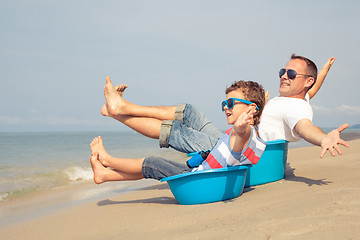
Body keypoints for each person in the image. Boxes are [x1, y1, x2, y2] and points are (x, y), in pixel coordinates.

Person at [100, 55, 347, 158]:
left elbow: (304, 127)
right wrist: (324, 70)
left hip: (238, 154)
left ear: (305, 80)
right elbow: (311, 90)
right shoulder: (299, 98)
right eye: (283, 71)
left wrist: (324, 138)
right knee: (188, 111)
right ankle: (122, 107)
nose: (284, 75)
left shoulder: (298, 109)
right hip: (231, 139)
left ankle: (118, 112)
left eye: (291, 73)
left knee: (176, 130)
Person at [91, 81, 267, 183]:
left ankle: (107, 160)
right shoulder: (251, 132)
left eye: (230, 104)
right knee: (152, 168)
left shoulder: (245, 132)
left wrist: (241, 128)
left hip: (199, 180)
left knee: (152, 164)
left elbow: (239, 145)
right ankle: (105, 174)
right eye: (224, 104)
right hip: (198, 170)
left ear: (251, 108)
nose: (225, 108)